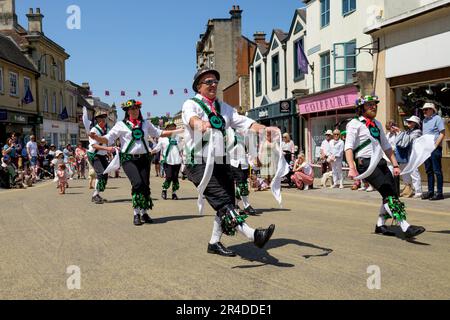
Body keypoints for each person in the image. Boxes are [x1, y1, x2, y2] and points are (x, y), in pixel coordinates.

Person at [182, 68, 276, 257]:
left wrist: (263, 129)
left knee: (227, 202)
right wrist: (203, 125)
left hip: (221, 161)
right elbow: (192, 120)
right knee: (223, 202)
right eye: (208, 81)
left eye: (215, 81)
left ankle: (214, 243)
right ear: (198, 86)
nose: (213, 84)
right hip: (198, 162)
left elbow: (242, 121)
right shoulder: (191, 104)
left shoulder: (223, 106)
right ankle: (253, 235)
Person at [90, 99, 182, 226]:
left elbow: (159, 133)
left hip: (144, 158)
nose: (134, 111)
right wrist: (97, 138)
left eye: (136, 108)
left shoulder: (145, 123)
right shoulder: (120, 125)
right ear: (127, 111)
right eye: (132, 109)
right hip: (128, 159)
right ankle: (136, 213)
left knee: (145, 185)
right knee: (137, 183)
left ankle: (144, 212)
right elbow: (108, 138)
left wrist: (178, 131)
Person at [346, 95, 426, 239]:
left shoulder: (376, 123)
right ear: (361, 108)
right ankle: (405, 226)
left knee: (392, 194)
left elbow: (386, 146)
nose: (374, 106)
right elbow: (348, 148)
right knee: (388, 193)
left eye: (375, 104)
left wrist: (395, 164)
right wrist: (352, 167)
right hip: (366, 164)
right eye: (369, 104)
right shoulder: (354, 123)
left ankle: (380, 224)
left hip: (381, 162)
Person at [87, 111, 115, 204]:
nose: (103, 120)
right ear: (97, 120)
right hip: (94, 154)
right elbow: (94, 146)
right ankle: (95, 195)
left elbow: (108, 142)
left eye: (104, 118)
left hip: (102, 155)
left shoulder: (105, 131)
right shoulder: (94, 131)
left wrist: (113, 148)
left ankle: (97, 194)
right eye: (101, 118)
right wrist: (107, 148)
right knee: (101, 173)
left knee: (105, 173)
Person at [152, 122, 183, 200]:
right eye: (170, 127)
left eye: (174, 127)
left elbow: (181, 148)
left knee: (175, 178)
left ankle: (174, 193)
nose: (173, 128)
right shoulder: (162, 138)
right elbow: (158, 148)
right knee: (169, 177)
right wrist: (152, 151)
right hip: (167, 160)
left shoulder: (177, 137)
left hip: (177, 160)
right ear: (167, 129)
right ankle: (164, 190)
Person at [421, 102, 446, 201]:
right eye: (423, 110)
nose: (424, 111)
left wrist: (435, 145)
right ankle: (430, 191)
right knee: (429, 171)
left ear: (432, 110)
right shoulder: (424, 121)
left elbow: (442, 133)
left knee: (437, 171)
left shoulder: (437, 119)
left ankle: (439, 193)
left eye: (426, 109)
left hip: (435, 148)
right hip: (426, 149)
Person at [229, 129, 257, 216]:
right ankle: (246, 205)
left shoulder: (245, 132)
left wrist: (254, 159)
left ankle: (236, 205)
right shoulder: (228, 131)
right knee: (241, 183)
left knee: (242, 184)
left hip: (244, 162)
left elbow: (249, 148)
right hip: (233, 161)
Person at [394, 116, 423, 199]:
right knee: (405, 172)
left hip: (413, 154)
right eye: (408, 121)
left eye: (410, 122)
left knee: (414, 173)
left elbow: (408, 140)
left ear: (415, 123)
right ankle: (409, 189)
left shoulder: (417, 132)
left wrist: (400, 132)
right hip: (406, 155)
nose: (408, 123)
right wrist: (399, 132)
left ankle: (418, 191)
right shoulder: (408, 131)